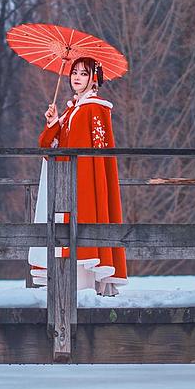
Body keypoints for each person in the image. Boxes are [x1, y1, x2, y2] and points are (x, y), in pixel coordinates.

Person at [27, 56, 129, 295]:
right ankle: (69, 290)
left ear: (94, 79)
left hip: (83, 183)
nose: (77, 77)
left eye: (84, 73)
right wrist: (53, 123)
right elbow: (47, 147)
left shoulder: (94, 108)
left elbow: (93, 156)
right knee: (64, 233)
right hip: (66, 181)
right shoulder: (72, 109)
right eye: (74, 72)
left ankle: (84, 290)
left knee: (82, 232)